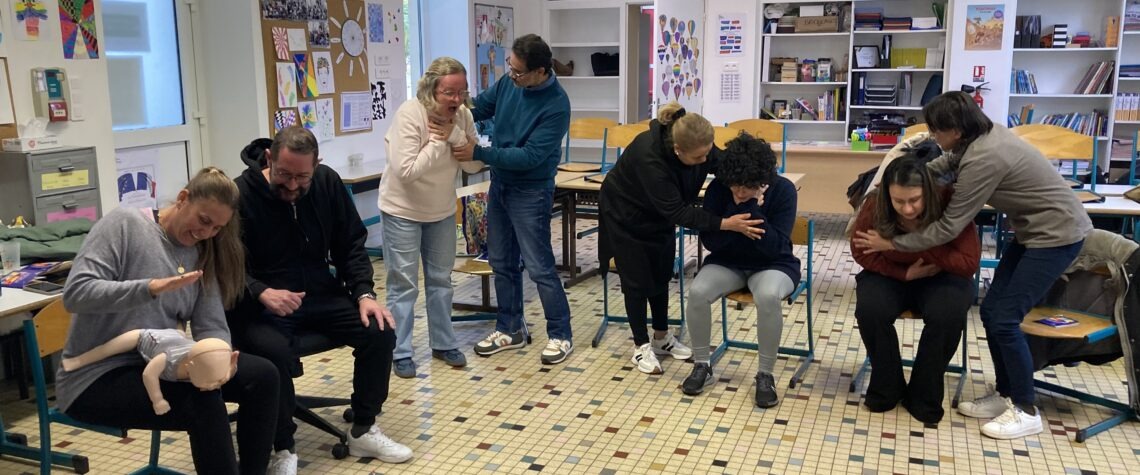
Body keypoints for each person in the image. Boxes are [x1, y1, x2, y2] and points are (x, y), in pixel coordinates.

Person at [853, 92, 1093, 439]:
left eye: (936, 131)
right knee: (993, 312)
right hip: (1032, 232)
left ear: (956, 130)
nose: (933, 137)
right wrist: (909, 177)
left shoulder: (984, 158)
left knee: (1006, 318)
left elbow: (949, 228)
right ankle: (1006, 393)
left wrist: (892, 244)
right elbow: (946, 163)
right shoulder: (980, 136)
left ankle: (1026, 410)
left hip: (1057, 236)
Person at [58, 167, 279, 475]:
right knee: (204, 405)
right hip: (95, 374)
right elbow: (76, 295)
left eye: (217, 228)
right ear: (183, 198)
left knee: (263, 377)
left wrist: (218, 360)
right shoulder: (125, 224)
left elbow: (211, 325)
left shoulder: (203, 252)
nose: (206, 233)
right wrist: (149, 288)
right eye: (204, 220)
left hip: (163, 363)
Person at [231, 127, 412, 474]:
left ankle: (363, 428)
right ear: (269, 158)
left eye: (302, 177)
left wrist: (364, 293)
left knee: (379, 329)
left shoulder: (327, 183)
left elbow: (351, 244)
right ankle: (282, 447)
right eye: (284, 174)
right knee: (272, 353)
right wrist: (260, 291)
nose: (293, 185)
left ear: (317, 165)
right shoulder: (240, 194)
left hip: (319, 293)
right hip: (263, 303)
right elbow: (225, 264)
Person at [597, 102, 758, 374]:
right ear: (677, 150)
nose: (705, 161)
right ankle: (641, 346)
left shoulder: (698, 143)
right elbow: (678, 212)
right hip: (626, 214)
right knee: (636, 279)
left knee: (661, 271)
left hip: (658, 214)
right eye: (698, 158)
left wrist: (751, 185)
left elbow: (722, 165)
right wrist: (725, 224)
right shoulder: (649, 157)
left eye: (707, 153)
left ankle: (661, 338)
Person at [453, 34, 574, 364]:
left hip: (531, 191)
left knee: (539, 267)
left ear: (540, 71)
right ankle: (509, 329)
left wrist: (479, 153)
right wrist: (450, 106)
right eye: (510, 67)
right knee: (502, 263)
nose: (512, 75)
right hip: (501, 185)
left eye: (518, 71)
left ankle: (561, 334)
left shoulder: (557, 105)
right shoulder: (510, 83)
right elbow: (479, 108)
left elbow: (530, 156)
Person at [850, 150, 980, 424]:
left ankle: (924, 394)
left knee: (947, 314)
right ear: (887, 195)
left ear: (928, 192)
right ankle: (887, 386)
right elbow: (861, 252)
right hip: (891, 275)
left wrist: (913, 244)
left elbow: (968, 263)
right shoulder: (875, 204)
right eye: (899, 201)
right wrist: (904, 273)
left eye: (914, 200)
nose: (907, 209)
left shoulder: (948, 202)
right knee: (870, 309)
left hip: (942, 277)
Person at [381, 56, 485, 378]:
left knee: (441, 281)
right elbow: (406, 171)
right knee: (403, 285)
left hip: (441, 210)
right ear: (431, 90)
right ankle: (400, 351)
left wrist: (456, 136)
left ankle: (443, 343)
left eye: (462, 92)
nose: (457, 100)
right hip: (402, 210)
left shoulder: (463, 117)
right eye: (449, 92)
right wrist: (442, 141)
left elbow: (473, 164)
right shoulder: (410, 115)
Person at [680, 134, 799, 408]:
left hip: (774, 264)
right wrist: (732, 226)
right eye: (735, 186)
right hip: (728, 261)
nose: (740, 192)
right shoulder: (718, 188)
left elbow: (774, 247)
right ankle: (702, 365)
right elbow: (710, 241)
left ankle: (765, 374)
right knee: (697, 292)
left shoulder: (783, 190)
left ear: (762, 181)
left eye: (747, 187)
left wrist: (749, 210)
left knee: (767, 295)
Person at [61, 330, 238, 415]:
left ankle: (177, 330)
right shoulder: (168, 358)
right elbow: (148, 374)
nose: (212, 385)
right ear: (190, 366)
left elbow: (218, 372)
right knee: (106, 349)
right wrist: (157, 400)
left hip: (176, 337)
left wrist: (227, 372)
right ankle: (77, 361)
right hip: (147, 337)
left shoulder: (204, 362)